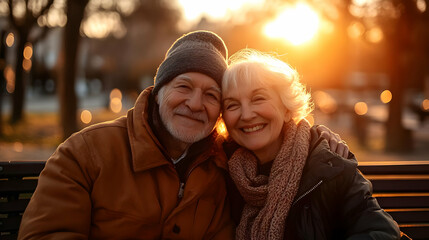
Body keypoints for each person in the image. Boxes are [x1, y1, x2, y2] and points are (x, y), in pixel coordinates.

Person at [18, 31, 347, 239]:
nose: (194, 103)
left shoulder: (224, 166)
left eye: (211, 95)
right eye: (184, 87)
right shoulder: (86, 152)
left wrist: (317, 140)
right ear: (158, 91)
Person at [221, 49, 401, 239]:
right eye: (232, 104)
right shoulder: (220, 170)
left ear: (287, 109)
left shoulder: (329, 164)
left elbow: (382, 232)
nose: (246, 114)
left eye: (258, 98)